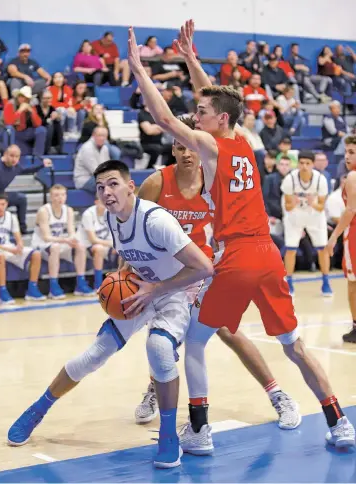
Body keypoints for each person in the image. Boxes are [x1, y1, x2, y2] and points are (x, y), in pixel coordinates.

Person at [128, 20, 355, 457]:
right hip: (267, 254)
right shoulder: (244, 141)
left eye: (203, 113)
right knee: (295, 345)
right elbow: (216, 99)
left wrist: (140, 69)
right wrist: (192, 60)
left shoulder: (208, 147)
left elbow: (162, 117)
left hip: (235, 256)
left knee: (194, 342)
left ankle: (199, 428)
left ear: (220, 120)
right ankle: (338, 420)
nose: (197, 115)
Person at [7, 160, 214, 471]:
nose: (106, 191)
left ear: (131, 186)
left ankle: (169, 436)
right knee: (94, 354)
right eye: (101, 187)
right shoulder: (113, 218)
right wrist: (115, 285)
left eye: (113, 183)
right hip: (141, 289)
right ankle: (38, 409)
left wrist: (155, 290)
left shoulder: (156, 221)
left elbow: (203, 268)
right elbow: (128, 256)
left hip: (174, 293)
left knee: (157, 348)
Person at [135, 116, 300, 430]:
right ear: (172, 148)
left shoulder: (214, 179)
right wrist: (129, 268)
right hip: (166, 273)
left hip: (202, 270)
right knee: (163, 336)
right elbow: (134, 228)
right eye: (179, 146)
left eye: (190, 147)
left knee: (227, 331)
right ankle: (155, 388)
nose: (186, 153)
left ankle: (278, 394)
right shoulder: (157, 182)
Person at [281, 151, 332, 296]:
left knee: (322, 248)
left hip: (314, 214)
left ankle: (326, 282)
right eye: (301, 163)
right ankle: (289, 282)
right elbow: (287, 206)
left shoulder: (320, 180)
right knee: (291, 248)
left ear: (313, 164)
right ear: (298, 164)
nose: (304, 166)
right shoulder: (289, 179)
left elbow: (321, 206)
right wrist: (295, 202)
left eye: (307, 163)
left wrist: (312, 203)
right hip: (295, 215)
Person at [31, 184, 95, 299]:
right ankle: (53, 286)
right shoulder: (44, 211)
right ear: (51, 197)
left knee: (80, 246)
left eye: (62, 195)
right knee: (55, 247)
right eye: (56, 195)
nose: (60, 198)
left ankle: (80, 283)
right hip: (41, 245)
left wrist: (73, 239)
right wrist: (66, 240)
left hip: (59, 243)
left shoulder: (68, 210)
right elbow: (46, 237)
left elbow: (71, 232)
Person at [0, 192, 46, 305]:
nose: (0, 207)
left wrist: (19, 245)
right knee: (0, 255)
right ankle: (2, 292)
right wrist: (10, 250)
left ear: (7, 204)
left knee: (36, 254)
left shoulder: (11, 217)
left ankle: (32, 289)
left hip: (8, 247)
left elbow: (18, 236)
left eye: (2, 204)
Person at [327, 136, 356, 344]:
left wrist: (334, 236)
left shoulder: (353, 176)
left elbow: (351, 210)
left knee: (353, 283)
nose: (347, 156)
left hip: (353, 233)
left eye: (352, 152)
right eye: (346, 151)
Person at [0, 145, 52, 233]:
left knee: (21, 199)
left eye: (17, 156)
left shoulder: (16, 166)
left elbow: (26, 169)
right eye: (11, 156)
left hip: (1, 196)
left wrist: (42, 165)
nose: (14, 159)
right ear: (5, 154)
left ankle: (22, 228)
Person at [76, 198, 117, 289]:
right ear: (96, 202)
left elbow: (117, 235)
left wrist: (117, 245)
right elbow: (93, 240)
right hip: (87, 245)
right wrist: (114, 244)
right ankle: (98, 284)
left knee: (124, 249)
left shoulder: (112, 213)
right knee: (99, 248)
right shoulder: (88, 214)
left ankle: (123, 280)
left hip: (105, 243)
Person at [3, 86, 47, 156]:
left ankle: (37, 157)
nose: (24, 100)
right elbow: (8, 122)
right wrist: (20, 111)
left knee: (41, 130)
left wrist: (32, 112)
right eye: (22, 97)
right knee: (9, 129)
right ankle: (9, 155)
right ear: (18, 96)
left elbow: (38, 124)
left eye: (27, 98)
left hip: (24, 133)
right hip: (12, 134)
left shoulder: (31, 106)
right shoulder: (10, 104)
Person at [74, 126, 113, 193]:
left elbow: (108, 166)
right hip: (85, 180)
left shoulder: (105, 148)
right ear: (93, 135)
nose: (102, 138)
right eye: (99, 135)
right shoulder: (87, 148)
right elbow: (95, 171)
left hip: (99, 177)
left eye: (104, 136)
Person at [36, 90, 64, 155]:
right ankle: (46, 149)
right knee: (49, 125)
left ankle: (59, 148)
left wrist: (57, 116)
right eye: (47, 98)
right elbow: (37, 122)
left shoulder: (52, 109)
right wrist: (49, 120)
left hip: (50, 134)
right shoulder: (36, 108)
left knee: (57, 123)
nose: (49, 100)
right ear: (41, 99)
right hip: (40, 133)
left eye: (50, 98)